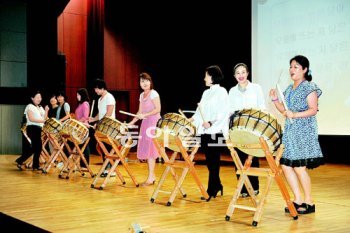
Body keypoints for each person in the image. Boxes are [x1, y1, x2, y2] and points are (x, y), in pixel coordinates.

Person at [269, 55, 323, 214]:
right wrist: (274, 100)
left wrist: (294, 115)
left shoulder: (310, 87)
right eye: (291, 66)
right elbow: (284, 110)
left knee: (300, 168)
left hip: (304, 132)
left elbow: (313, 110)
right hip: (291, 131)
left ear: (305, 70)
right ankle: (297, 199)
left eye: (296, 67)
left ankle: (309, 202)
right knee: (286, 165)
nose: (292, 70)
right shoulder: (289, 88)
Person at [190, 65, 230, 201]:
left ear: (213, 76)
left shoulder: (222, 92)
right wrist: (193, 119)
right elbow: (200, 112)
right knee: (209, 162)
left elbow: (223, 112)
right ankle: (217, 185)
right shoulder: (206, 93)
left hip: (215, 131)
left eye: (206, 75)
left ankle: (211, 190)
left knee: (214, 162)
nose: (204, 78)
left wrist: (211, 123)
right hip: (205, 132)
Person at [228, 63, 266, 197]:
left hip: (252, 127)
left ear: (248, 73)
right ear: (234, 76)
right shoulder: (232, 91)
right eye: (238, 73)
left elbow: (262, 106)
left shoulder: (256, 88)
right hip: (238, 127)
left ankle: (254, 187)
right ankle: (243, 188)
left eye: (243, 72)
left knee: (252, 156)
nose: (241, 75)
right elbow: (230, 110)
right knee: (239, 156)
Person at [128, 72, 161, 186]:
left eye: (146, 80)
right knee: (148, 150)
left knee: (151, 151)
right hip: (145, 123)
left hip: (153, 123)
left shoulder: (154, 93)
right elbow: (139, 112)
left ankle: (150, 178)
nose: (144, 83)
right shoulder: (141, 95)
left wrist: (145, 114)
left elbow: (158, 109)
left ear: (150, 82)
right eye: (142, 81)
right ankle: (152, 176)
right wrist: (131, 123)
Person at [89, 79, 116, 177]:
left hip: (109, 126)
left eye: (97, 88)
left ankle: (111, 170)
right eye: (95, 89)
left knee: (108, 148)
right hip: (102, 126)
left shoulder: (109, 97)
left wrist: (99, 122)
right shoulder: (100, 99)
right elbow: (100, 114)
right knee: (103, 148)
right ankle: (106, 169)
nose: (95, 90)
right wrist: (93, 119)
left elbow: (108, 113)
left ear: (102, 88)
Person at [15, 90, 47, 171]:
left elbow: (45, 118)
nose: (39, 99)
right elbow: (31, 118)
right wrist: (43, 121)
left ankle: (21, 161)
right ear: (32, 98)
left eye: (40, 97)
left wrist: (46, 111)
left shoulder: (40, 107)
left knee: (35, 148)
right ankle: (35, 165)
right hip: (32, 128)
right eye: (37, 97)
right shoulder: (30, 106)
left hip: (39, 128)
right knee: (38, 147)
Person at [75, 88, 91, 168]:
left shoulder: (85, 103)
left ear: (82, 95)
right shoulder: (80, 104)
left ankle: (85, 164)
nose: (77, 96)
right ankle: (82, 164)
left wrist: (77, 122)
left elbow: (85, 117)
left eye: (78, 95)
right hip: (79, 127)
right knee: (81, 146)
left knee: (85, 146)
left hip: (83, 127)